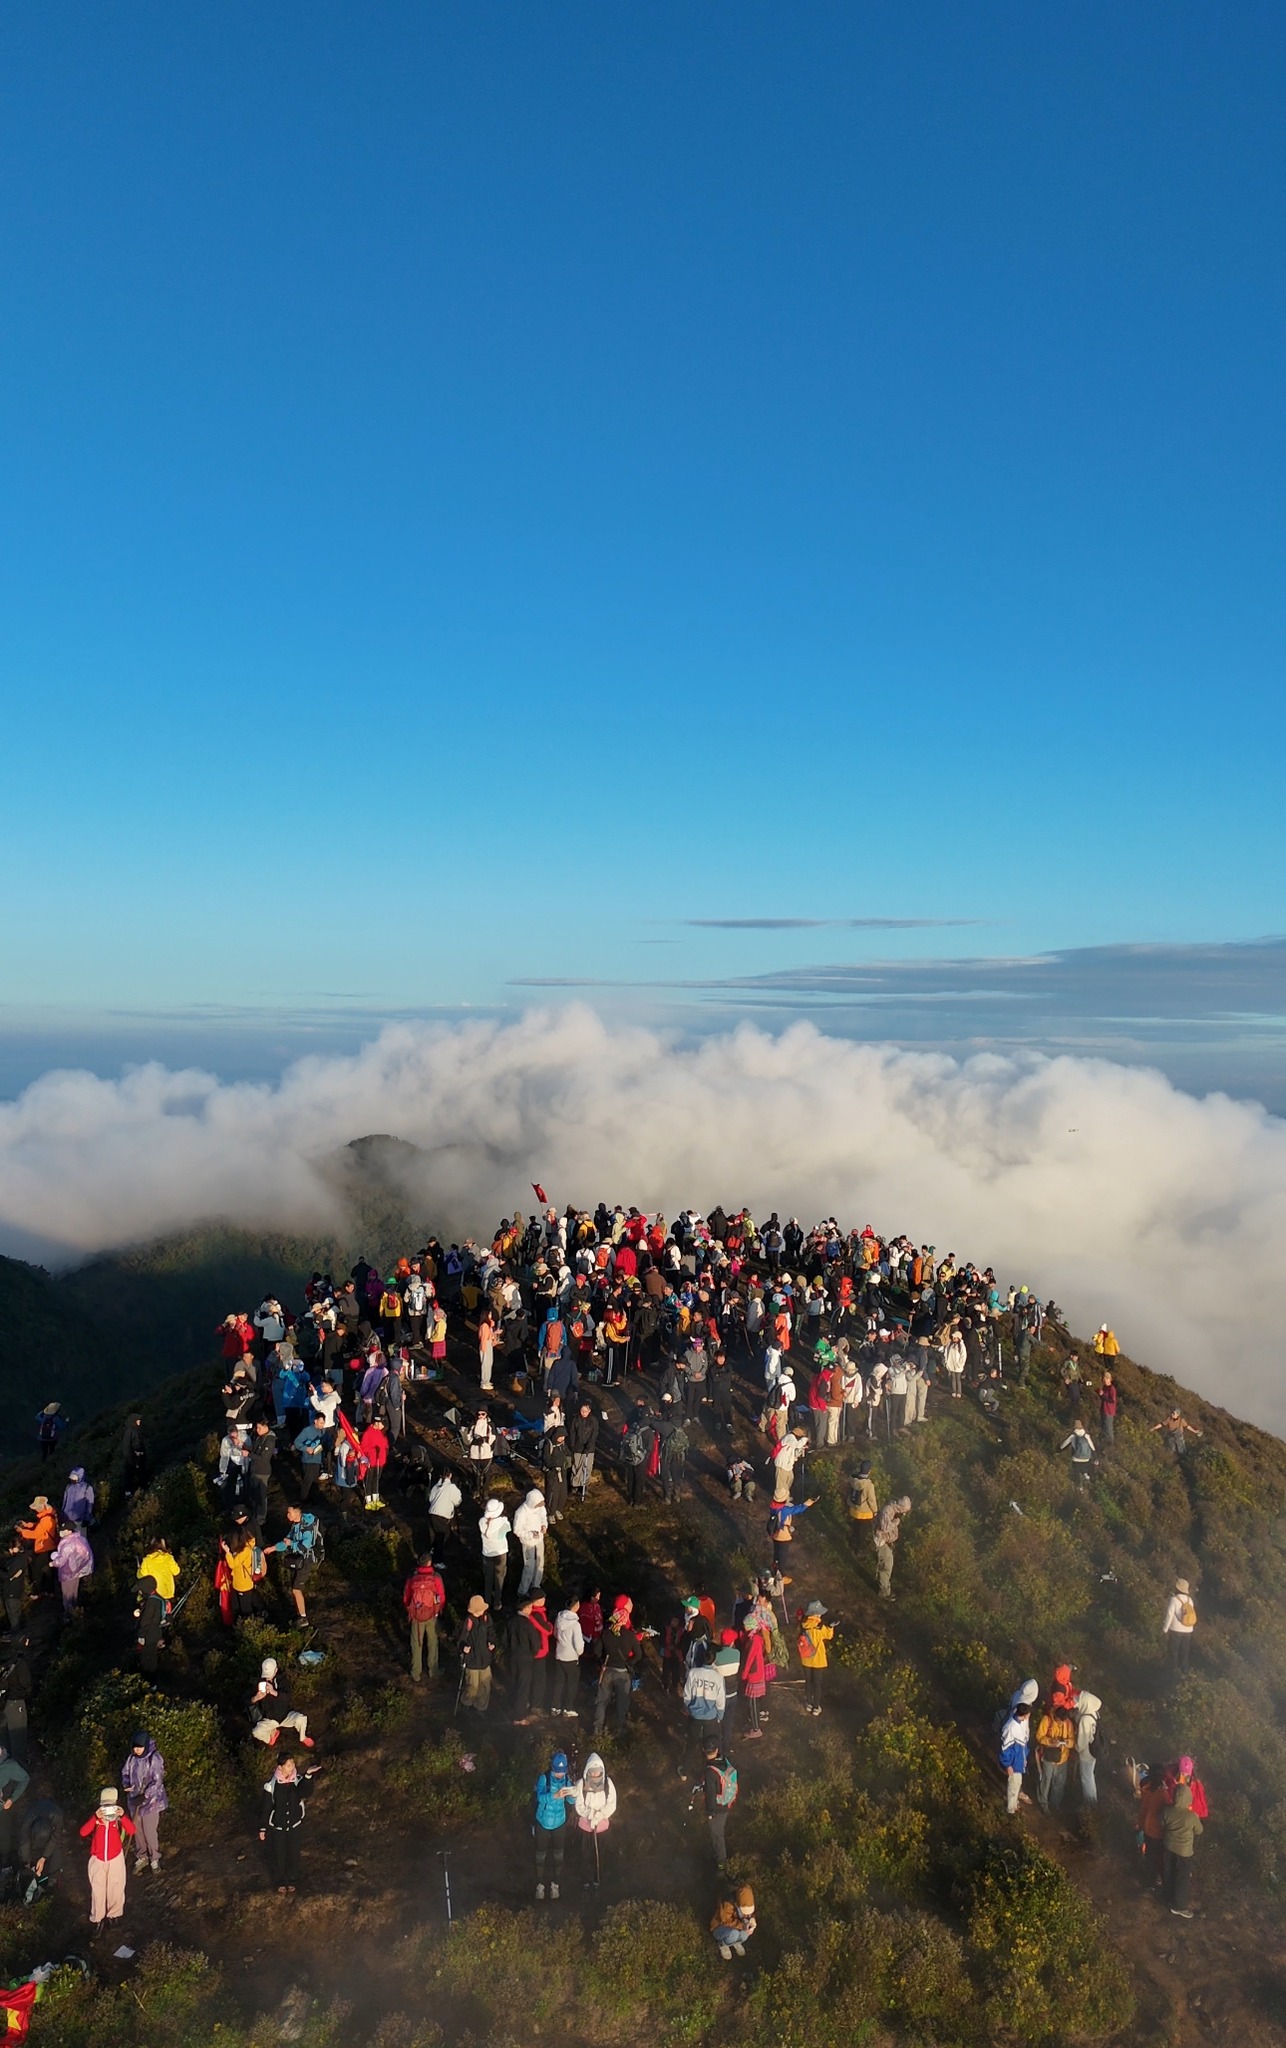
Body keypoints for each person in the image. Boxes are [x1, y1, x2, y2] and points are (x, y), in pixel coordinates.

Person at [260, 1755, 313, 1894]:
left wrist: (308, 1776)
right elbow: (265, 1808)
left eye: (293, 1764)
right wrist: (263, 1828)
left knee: (293, 1852)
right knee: (279, 1853)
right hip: (278, 1825)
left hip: (294, 1823)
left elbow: (306, 1792)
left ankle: (293, 1879)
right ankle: (280, 1881)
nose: (292, 1767)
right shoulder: (271, 1785)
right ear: (280, 1767)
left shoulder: (297, 1781)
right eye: (289, 1765)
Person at [265, 1507, 323, 1625]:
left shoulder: (307, 1527)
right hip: (299, 1559)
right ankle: (299, 1614)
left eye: (289, 1513)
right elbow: (287, 1542)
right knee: (295, 1588)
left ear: (297, 1513)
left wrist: (291, 1543)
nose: (287, 1515)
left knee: (296, 1589)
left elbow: (305, 1545)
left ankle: (303, 1618)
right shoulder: (295, 1526)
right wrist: (273, 1548)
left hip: (306, 1560)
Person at [120, 1733, 167, 1873]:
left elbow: (157, 1781)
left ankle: (154, 1859)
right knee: (137, 1830)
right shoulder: (132, 1759)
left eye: (140, 1748)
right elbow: (125, 1774)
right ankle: (142, 1856)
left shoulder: (155, 1758)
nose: (137, 1750)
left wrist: (145, 1795)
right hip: (134, 1801)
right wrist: (127, 1784)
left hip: (152, 1802)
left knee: (150, 1831)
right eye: (135, 1748)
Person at [594, 1595, 641, 1735]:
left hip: (607, 1670)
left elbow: (596, 1651)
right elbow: (638, 1655)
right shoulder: (630, 1635)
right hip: (622, 1672)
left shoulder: (606, 1633)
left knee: (601, 1702)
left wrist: (602, 1662)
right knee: (622, 1703)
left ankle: (597, 1730)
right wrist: (629, 1663)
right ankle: (620, 1729)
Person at [533, 1748, 574, 1899]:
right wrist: (554, 1795)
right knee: (540, 1854)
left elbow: (570, 1801)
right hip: (543, 1822)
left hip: (559, 1822)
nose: (560, 1774)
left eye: (562, 1771)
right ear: (553, 1768)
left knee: (558, 1854)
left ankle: (555, 1884)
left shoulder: (567, 1780)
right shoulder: (544, 1778)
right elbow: (540, 1797)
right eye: (557, 1770)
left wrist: (573, 1795)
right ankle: (540, 1885)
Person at [693, 1734, 738, 1871]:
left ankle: (721, 1863)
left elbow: (711, 1795)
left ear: (703, 1750)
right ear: (717, 1750)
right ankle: (721, 1858)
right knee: (719, 1831)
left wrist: (710, 1812)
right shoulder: (723, 1760)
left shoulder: (709, 1772)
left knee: (717, 1834)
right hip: (727, 1801)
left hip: (718, 1808)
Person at [571, 1751, 616, 1887]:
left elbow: (612, 1804)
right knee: (584, 1855)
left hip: (602, 1829)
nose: (595, 1775)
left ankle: (599, 1880)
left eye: (598, 1772)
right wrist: (589, 1814)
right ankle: (586, 1881)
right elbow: (578, 1805)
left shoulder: (608, 1783)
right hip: (585, 1827)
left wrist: (601, 1815)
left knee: (601, 1855)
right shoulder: (581, 1784)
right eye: (593, 1771)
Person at [249, 1658, 314, 1748]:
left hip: (285, 1715)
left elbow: (288, 1696)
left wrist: (274, 1692)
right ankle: (271, 1735)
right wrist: (256, 1698)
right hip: (269, 1718)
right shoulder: (260, 1683)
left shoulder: (282, 1681)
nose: (267, 1677)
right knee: (256, 1732)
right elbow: (247, 1700)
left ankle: (302, 1737)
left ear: (276, 1670)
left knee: (301, 1719)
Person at [680, 1648, 726, 1771]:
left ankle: (685, 1772)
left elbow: (687, 1694)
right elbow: (721, 1700)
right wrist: (719, 1716)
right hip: (711, 1718)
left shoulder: (693, 1673)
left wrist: (688, 1708)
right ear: (714, 1660)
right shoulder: (718, 1677)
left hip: (695, 1716)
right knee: (712, 1745)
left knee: (691, 1745)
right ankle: (711, 1773)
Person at [511, 1594, 554, 1723]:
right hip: (529, 1656)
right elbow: (541, 1635)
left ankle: (517, 1708)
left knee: (518, 1682)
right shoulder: (530, 1620)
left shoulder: (512, 1621)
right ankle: (520, 1715)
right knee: (527, 1683)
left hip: (515, 1656)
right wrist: (534, 1651)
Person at [403, 1554, 445, 1682]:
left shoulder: (413, 1578)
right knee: (432, 1642)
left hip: (416, 1615)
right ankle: (434, 1671)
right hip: (431, 1614)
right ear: (429, 1563)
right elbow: (441, 1596)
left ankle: (416, 1673)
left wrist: (411, 1610)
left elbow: (406, 1597)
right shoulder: (436, 1577)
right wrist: (438, 1609)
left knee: (416, 1644)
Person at [1162, 1783, 1202, 1917]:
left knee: (1169, 1873)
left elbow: (1161, 1822)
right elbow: (1199, 1830)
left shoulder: (1166, 1811)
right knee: (1182, 1878)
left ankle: (1167, 1898)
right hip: (1184, 1853)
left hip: (1168, 1848)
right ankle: (1179, 1906)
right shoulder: (1191, 1816)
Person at [1033, 1696, 1075, 1814]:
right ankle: (1043, 1804)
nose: (1061, 1723)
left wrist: (1067, 1743)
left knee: (1059, 1784)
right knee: (1045, 1781)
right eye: (1059, 1721)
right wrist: (1050, 1741)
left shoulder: (1068, 1724)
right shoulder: (1047, 1720)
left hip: (1063, 1759)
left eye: (1063, 1722)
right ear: (1055, 1716)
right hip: (1048, 1758)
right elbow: (1039, 1736)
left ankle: (1055, 1805)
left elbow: (1072, 1741)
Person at [457, 1594, 498, 1715]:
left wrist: (492, 1642)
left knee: (485, 1685)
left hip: (485, 1658)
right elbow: (461, 1638)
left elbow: (491, 1633)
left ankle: (481, 1708)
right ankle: (466, 1704)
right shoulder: (468, 1621)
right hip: (472, 1660)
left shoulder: (486, 1618)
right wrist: (463, 1647)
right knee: (472, 1686)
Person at [798, 1599, 834, 1716]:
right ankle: (816, 1706)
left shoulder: (804, 1625)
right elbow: (829, 1636)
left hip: (806, 1658)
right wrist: (830, 1627)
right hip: (818, 1659)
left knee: (808, 1681)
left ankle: (808, 1703)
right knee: (817, 1683)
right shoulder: (820, 1626)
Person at [551, 1595, 585, 1716]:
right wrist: (580, 1652)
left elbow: (555, 1633)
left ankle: (555, 1706)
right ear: (575, 1606)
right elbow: (578, 1644)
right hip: (571, 1657)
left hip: (559, 1654)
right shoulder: (575, 1624)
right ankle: (568, 1708)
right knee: (572, 1683)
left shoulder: (559, 1617)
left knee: (558, 1682)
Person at [49, 1524, 93, 1616]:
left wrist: (53, 1563)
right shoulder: (81, 1539)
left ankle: (69, 1615)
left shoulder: (68, 1544)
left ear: (69, 1531)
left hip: (67, 1572)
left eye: (63, 1530)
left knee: (67, 1594)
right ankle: (76, 1612)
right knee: (74, 1593)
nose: (60, 1532)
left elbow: (61, 1561)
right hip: (77, 1571)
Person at [16, 1498, 57, 1596]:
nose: (35, 1510)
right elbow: (40, 1527)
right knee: (48, 1570)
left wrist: (22, 1531)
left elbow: (36, 1534)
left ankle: (37, 1592)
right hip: (49, 1547)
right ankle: (49, 1591)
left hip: (44, 1548)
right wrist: (28, 1525)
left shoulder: (46, 1519)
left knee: (37, 1571)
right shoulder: (48, 1516)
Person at [873, 1496, 912, 1599]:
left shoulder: (893, 1511)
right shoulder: (888, 1511)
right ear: (901, 1508)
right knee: (886, 1566)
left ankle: (881, 1582)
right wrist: (895, 1523)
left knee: (886, 1564)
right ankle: (884, 1591)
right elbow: (884, 1527)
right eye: (904, 1511)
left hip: (886, 1542)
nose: (904, 1514)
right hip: (882, 1542)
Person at [514, 1489, 548, 1596]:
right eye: (538, 1503)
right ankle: (523, 1591)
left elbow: (543, 1516)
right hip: (528, 1542)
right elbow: (517, 1530)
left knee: (540, 1563)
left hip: (539, 1540)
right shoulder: (521, 1512)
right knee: (529, 1566)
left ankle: (535, 1586)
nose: (541, 1505)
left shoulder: (540, 1507)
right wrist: (530, 1535)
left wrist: (544, 1525)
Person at [999, 1700, 1032, 1813]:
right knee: (1013, 1785)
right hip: (1013, 1763)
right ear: (1025, 1715)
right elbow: (1005, 1748)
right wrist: (1007, 1765)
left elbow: (1023, 1745)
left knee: (1017, 1783)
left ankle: (1014, 1805)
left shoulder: (1019, 1724)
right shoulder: (1011, 1727)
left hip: (1018, 1762)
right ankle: (1011, 1810)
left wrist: (1024, 1759)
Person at [710, 1884, 757, 1961]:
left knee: (745, 1934)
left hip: (736, 1925)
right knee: (734, 1934)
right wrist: (742, 1926)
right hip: (719, 1927)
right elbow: (725, 1921)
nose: (747, 1914)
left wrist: (751, 1920)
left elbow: (750, 1914)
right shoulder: (728, 1902)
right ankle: (722, 1944)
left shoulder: (748, 1901)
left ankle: (736, 1942)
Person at [1163, 1577, 1197, 1680]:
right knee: (1184, 1652)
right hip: (1188, 1630)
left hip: (1175, 1630)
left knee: (1173, 1652)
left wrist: (1165, 1629)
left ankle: (1172, 1674)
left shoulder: (1174, 1599)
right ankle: (1185, 1674)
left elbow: (1169, 1614)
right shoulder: (1189, 1600)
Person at [480, 1499, 512, 1604]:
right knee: (499, 1577)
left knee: (488, 1578)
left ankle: (487, 1601)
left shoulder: (481, 1522)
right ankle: (497, 1601)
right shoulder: (503, 1522)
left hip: (487, 1553)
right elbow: (506, 1531)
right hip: (500, 1553)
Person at [135, 1575, 167, 1674]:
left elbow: (146, 1621)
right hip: (156, 1632)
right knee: (152, 1657)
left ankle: (149, 1680)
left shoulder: (150, 1602)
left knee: (147, 1659)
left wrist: (141, 1636)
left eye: (140, 1590)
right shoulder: (159, 1598)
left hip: (149, 1634)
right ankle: (152, 1682)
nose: (140, 1592)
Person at [1074, 1691, 1102, 1807]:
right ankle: (1093, 1800)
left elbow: (1082, 1741)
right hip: (1093, 1750)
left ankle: (1090, 1803)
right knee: (1090, 1775)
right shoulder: (1094, 1713)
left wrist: (1076, 1748)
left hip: (1086, 1753)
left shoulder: (1085, 1719)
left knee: (1086, 1778)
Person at [428, 1469, 463, 1552]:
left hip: (432, 1514)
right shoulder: (451, 1487)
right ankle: (437, 1559)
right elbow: (457, 1502)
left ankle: (432, 1551)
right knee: (443, 1536)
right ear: (450, 1475)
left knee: (434, 1535)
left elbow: (430, 1499)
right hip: (441, 1516)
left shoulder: (436, 1486)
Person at [358, 1418, 389, 1509]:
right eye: (382, 1424)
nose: (383, 1426)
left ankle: (376, 1499)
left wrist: (386, 1450)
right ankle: (368, 1500)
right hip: (372, 1461)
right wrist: (373, 1451)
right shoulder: (368, 1433)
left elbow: (385, 1443)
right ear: (377, 1423)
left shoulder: (381, 1432)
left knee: (376, 1480)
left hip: (380, 1460)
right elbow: (363, 1447)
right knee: (369, 1480)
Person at [1098, 1373, 1118, 1446]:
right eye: (1104, 1379)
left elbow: (1112, 1400)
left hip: (1109, 1411)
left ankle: (1111, 1446)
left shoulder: (1112, 1388)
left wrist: (1102, 1395)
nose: (1104, 1380)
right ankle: (1103, 1444)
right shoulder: (1104, 1387)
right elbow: (1103, 1398)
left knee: (1108, 1429)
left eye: (1106, 1379)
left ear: (1109, 1379)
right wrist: (1100, 1394)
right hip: (1103, 1410)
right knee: (1103, 1428)